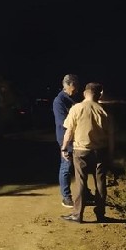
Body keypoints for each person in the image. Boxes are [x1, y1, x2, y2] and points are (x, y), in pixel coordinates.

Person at [60, 82, 114, 223]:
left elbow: (69, 131)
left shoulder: (76, 108)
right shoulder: (104, 111)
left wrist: (64, 148)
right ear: (99, 95)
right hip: (100, 151)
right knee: (100, 182)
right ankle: (100, 214)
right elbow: (111, 136)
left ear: (85, 93)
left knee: (81, 182)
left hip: (81, 151)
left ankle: (78, 214)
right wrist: (110, 153)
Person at [52, 74, 80, 208]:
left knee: (80, 167)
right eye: (73, 89)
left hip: (76, 137)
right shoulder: (59, 101)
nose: (75, 91)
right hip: (65, 138)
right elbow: (63, 123)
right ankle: (66, 197)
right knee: (66, 166)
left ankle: (85, 193)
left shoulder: (73, 98)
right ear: (66, 85)